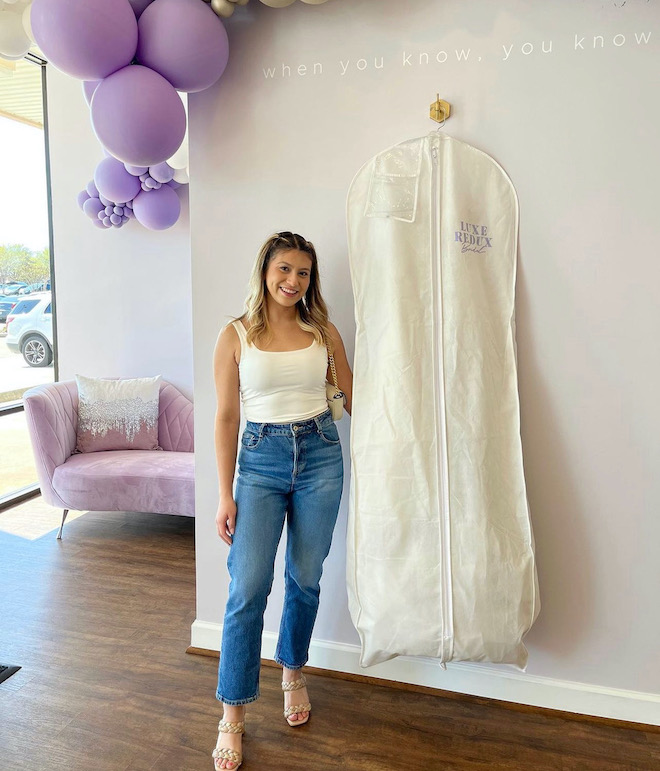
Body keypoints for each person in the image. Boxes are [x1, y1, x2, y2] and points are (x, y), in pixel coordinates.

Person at [211, 232, 353, 770]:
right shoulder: (236, 335)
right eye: (285, 269)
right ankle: (232, 716)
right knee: (247, 588)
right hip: (259, 461)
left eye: (304, 273)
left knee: (305, 577)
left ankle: (292, 672)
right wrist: (225, 493)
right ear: (265, 270)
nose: (293, 281)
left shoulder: (324, 332)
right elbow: (226, 417)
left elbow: (350, 397)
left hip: (320, 456)